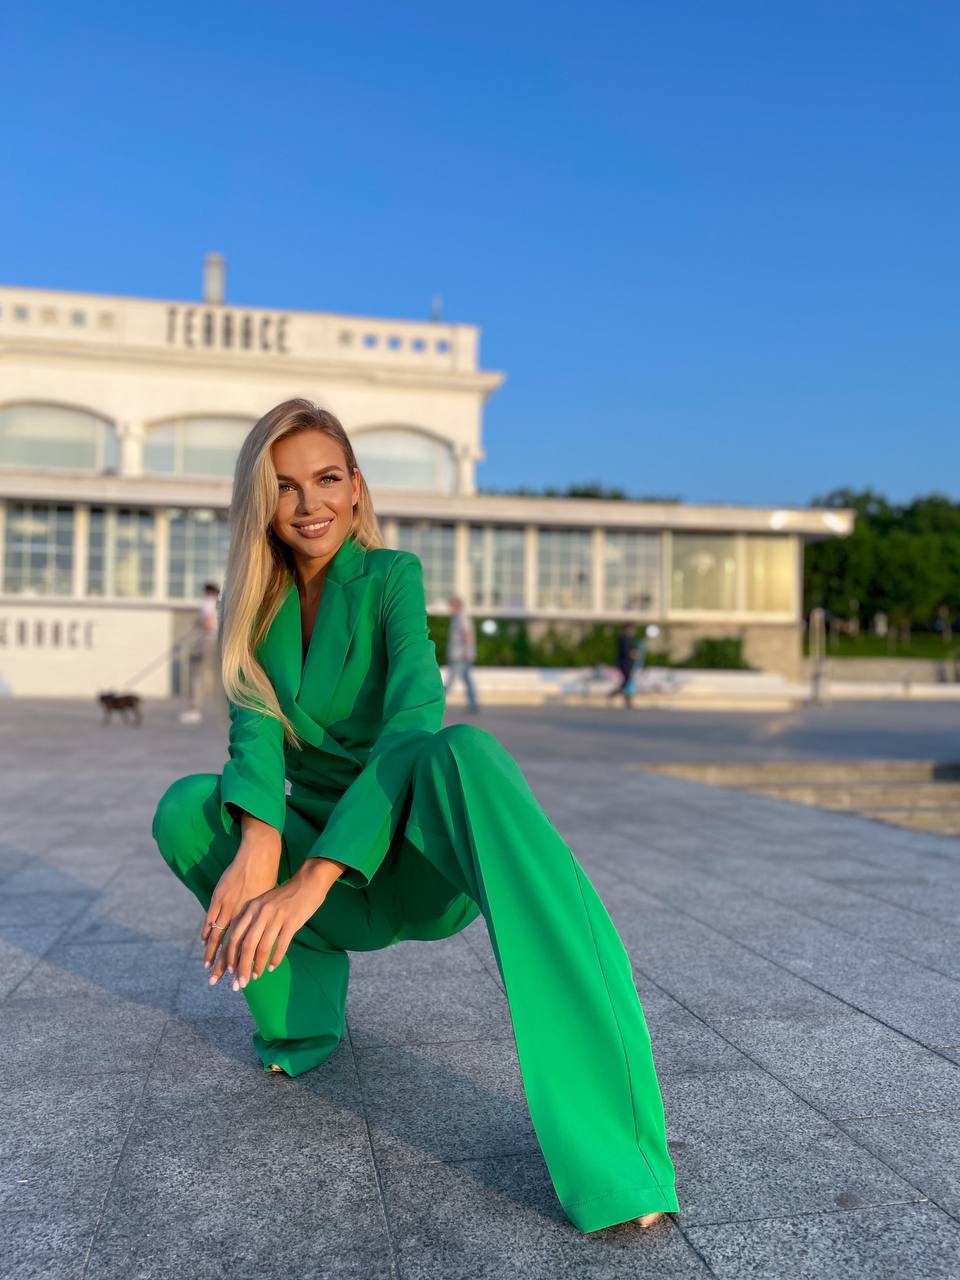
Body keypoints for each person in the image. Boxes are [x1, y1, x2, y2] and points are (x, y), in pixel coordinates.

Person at [151, 398, 678, 1235]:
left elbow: (410, 726)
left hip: (411, 859)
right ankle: (300, 1026)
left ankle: (618, 1158)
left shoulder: (392, 578)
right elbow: (252, 741)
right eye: (284, 487)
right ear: (262, 503)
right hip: (321, 876)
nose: (309, 503)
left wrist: (307, 880)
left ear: (357, 489)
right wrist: (258, 842)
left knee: (463, 751)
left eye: (327, 479)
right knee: (187, 808)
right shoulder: (250, 609)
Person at [179, 582, 222, 724]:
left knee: (196, 674)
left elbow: (208, 623)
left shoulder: (208, 603)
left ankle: (195, 710)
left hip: (206, 640)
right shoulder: (220, 604)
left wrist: (198, 622)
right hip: (217, 640)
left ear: (208, 592)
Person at [443, 593, 479, 713]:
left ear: (456, 605)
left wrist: (466, 651)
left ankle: (438, 701)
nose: (450, 609)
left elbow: (467, 634)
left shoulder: (462, 617)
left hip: (460, 656)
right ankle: (473, 703)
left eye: (451, 606)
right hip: (459, 655)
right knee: (467, 679)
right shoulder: (458, 617)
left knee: (451, 679)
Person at [607, 622, 643, 708]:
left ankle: (625, 699)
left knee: (627, 681)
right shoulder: (623, 639)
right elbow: (625, 651)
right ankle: (617, 696)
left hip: (629, 663)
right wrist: (633, 654)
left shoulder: (631, 638)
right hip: (624, 663)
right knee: (626, 681)